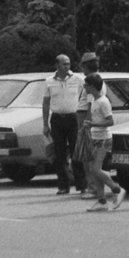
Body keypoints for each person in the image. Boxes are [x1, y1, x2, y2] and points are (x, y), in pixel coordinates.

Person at [41, 54, 83, 195]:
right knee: (59, 153)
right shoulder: (49, 81)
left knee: (76, 151)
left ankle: (81, 184)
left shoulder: (77, 79)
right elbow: (46, 103)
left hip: (73, 118)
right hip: (57, 119)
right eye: (64, 64)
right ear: (57, 66)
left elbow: (86, 95)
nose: (67, 66)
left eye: (68, 64)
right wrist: (45, 124)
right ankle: (63, 185)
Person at [82, 74, 125, 212]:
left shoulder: (103, 101)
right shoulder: (93, 100)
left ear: (93, 86)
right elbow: (92, 117)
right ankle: (101, 201)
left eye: (86, 85)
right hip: (95, 137)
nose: (84, 87)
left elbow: (110, 121)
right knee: (94, 170)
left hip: (104, 139)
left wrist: (93, 124)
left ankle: (117, 189)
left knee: (95, 169)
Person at [73, 53, 102, 198]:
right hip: (85, 116)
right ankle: (94, 187)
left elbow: (91, 103)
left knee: (88, 155)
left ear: (86, 66)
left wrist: (87, 122)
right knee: (89, 155)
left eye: (83, 66)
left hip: (86, 117)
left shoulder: (92, 81)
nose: (82, 69)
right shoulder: (97, 79)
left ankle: (93, 188)